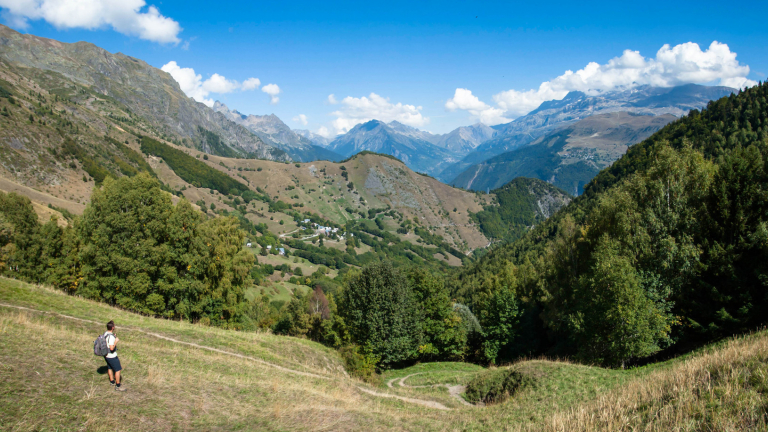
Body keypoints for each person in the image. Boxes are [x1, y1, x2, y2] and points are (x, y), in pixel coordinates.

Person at [104, 320, 126, 391]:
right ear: (113, 328)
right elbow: (111, 348)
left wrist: (114, 337)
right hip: (112, 356)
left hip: (106, 355)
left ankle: (112, 381)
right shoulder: (111, 337)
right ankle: (118, 386)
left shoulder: (106, 334)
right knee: (118, 370)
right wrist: (115, 341)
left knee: (110, 367)